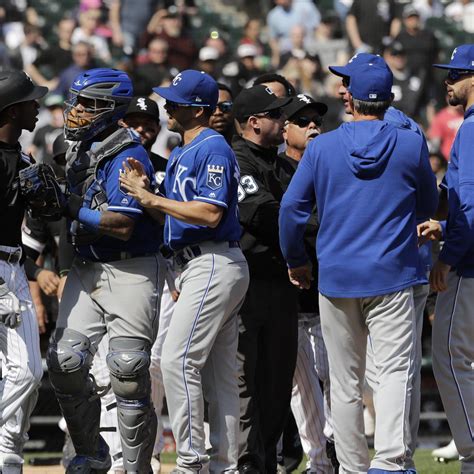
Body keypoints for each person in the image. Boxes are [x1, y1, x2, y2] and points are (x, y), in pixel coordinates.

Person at [279, 61, 438, 472]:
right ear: (387, 98)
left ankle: (351, 466)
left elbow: (292, 210)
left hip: (336, 277)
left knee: (345, 383)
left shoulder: (321, 147)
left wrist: (296, 260)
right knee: (393, 372)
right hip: (392, 274)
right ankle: (389, 462)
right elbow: (427, 205)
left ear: (352, 96)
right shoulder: (408, 142)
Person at [119, 69, 250, 473]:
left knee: (176, 361)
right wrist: (150, 196)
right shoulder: (180, 151)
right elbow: (178, 218)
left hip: (213, 259)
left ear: (196, 110)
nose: (166, 107)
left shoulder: (213, 147)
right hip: (196, 262)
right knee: (220, 374)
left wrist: (150, 199)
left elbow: (211, 213)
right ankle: (225, 465)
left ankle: (191, 461)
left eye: (173, 102)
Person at [46, 68, 163, 474]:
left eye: (87, 104)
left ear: (112, 110)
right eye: (75, 102)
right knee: (65, 362)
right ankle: (91, 455)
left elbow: (122, 222)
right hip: (86, 265)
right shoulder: (78, 146)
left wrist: (69, 206)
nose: (75, 111)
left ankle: (136, 467)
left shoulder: (128, 154)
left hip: (131, 268)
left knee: (127, 369)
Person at [330, 52, 434, 470]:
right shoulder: (407, 130)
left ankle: (396, 458)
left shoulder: (383, 132)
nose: (341, 88)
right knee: (391, 373)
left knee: (390, 372)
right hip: (397, 263)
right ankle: (397, 459)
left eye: (347, 81)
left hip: (393, 267)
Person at [230, 84, 298, 474]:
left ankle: (267, 463)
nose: (283, 119)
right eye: (276, 115)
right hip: (248, 283)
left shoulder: (284, 164)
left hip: (282, 286)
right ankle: (245, 465)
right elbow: (264, 215)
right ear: (254, 123)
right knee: (245, 385)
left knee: (276, 385)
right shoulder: (238, 159)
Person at [418, 43, 474, 473]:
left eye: (456, 74)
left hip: (470, 266)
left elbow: (471, 206)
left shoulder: (471, 129)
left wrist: (448, 256)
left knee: (449, 356)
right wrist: (444, 218)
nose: (448, 81)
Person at [276, 94, 334, 474]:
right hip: (289, 297)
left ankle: (335, 457)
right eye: (303, 120)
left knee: (337, 381)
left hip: (330, 294)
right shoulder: (274, 170)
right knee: (298, 389)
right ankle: (318, 462)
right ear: (285, 130)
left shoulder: (329, 164)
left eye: (316, 120)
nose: (313, 126)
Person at [0, 70, 52, 473]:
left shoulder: (22, 156)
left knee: (24, 375)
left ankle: (8, 459)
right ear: (12, 109)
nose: (38, 106)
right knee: (25, 372)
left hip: (15, 266)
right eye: (31, 101)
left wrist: (33, 269)